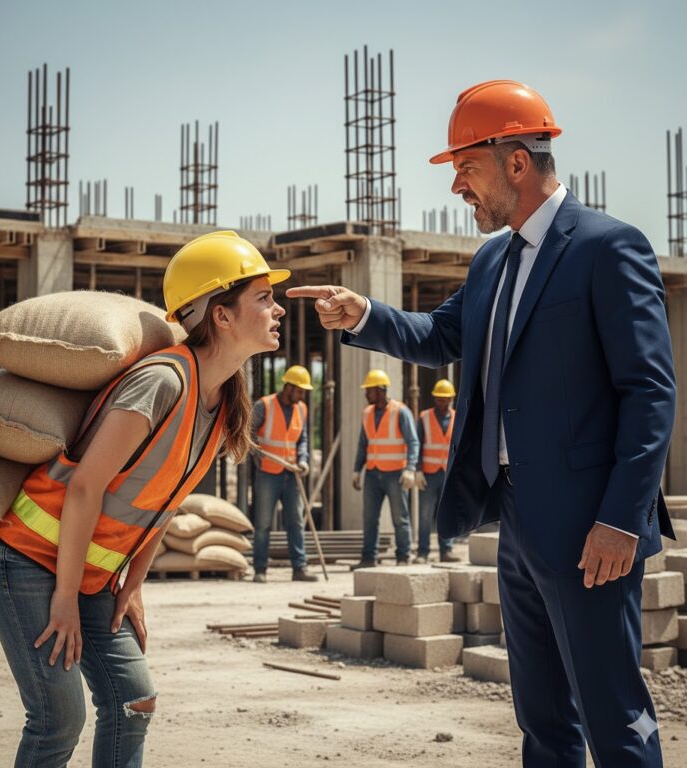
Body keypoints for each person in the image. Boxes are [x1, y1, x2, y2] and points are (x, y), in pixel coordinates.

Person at [289, 80, 676, 767]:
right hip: (518, 522)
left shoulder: (608, 248)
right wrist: (366, 316)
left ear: (516, 161)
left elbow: (649, 391)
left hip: (592, 530)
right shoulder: (495, 257)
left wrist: (621, 517)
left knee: (614, 721)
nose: (458, 188)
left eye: (466, 168)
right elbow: (442, 333)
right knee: (543, 723)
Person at [0, 230, 290, 768]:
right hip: (25, 560)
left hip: (91, 577)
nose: (277, 308)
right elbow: (84, 487)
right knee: (58, 720)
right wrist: (67, 598)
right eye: (263, 297)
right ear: (222, 314)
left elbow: (162, 506)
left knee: (133, 702)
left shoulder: (222, 405)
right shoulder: (162, 381)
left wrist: (134, 583)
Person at [251, 364, 318, 583]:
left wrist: (303, 460)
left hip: (292, 475)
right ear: (288, 387)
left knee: (296, 522)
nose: (301, 395)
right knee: (263, 523)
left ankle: (300, 568)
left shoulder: (302, 409)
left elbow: (303, 440)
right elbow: (247, 433)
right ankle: (260, 569)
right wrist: (258, 457)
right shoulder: (264, 405)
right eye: (299, 391)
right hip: (268, 473)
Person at [351, 369, 419, 569]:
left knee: (400, 518)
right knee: (370, 519)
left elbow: (413, 442)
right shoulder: (367, 413)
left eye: (369, 390)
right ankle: (368, 558)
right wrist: (357, 470)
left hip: (396, 474)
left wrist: (410, 469)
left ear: (380, 390)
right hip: (372, 473)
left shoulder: (400, 411)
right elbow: (363, 444)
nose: (366, 394)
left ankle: (403, 557)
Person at [415, 378, 460, 563]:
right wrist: (417, 470)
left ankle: (446, 550)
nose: (442, 402)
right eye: (439, 399)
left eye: (445, 399)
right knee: (425, 515)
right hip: (428, 473)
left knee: (448, 513)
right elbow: (417, 444)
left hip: (448, 474)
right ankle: (423, 552)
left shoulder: (457, 417)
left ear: (451, 399)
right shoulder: (424, 417)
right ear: (435, 399)